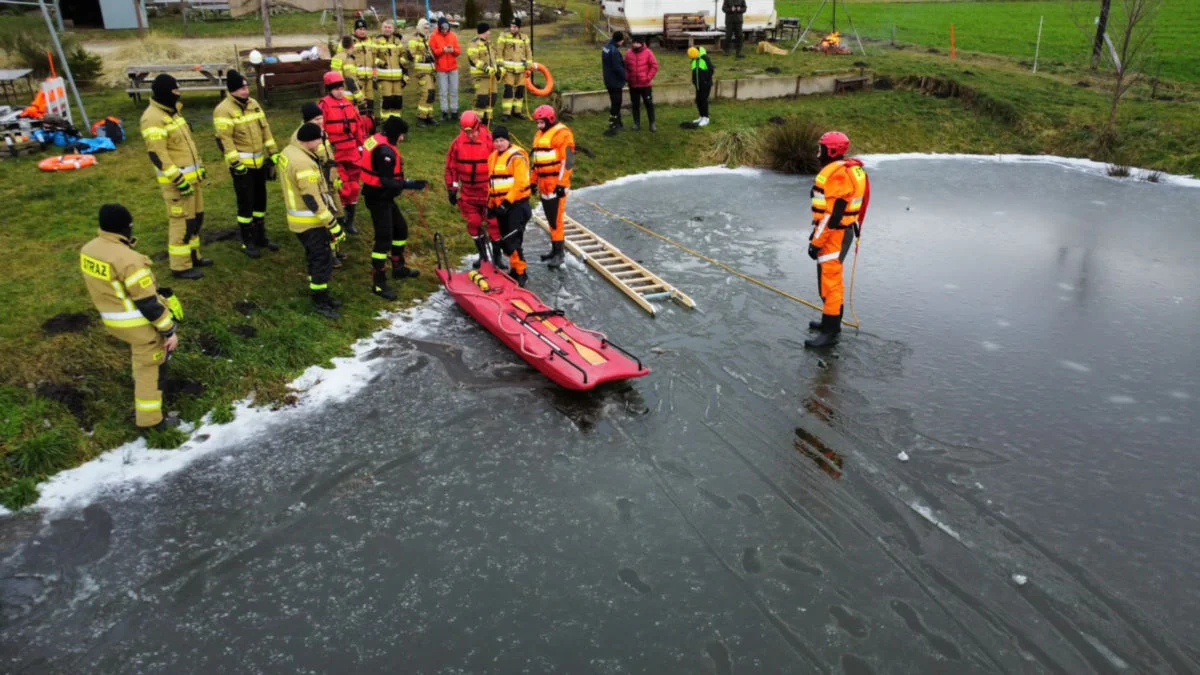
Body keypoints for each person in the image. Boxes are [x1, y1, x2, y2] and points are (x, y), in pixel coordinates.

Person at [80, 204, 182, 432]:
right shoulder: (129, 260)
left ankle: (141, 393)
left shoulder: (89, 249)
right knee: (151, 370)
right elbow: (148, 304)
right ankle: (151, 423)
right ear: (126, 227)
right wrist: (169, 330)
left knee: (141, 361)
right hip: (138, 325)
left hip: (113, 319)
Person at [140, 73, 210, 279]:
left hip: (193, 180)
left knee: (196, 218)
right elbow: (158, 155)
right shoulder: (152, 118)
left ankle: (194, 255)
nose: (178, 94)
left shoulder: (174, 113)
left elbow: (187, 146)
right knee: (182, 223)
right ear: (164, 92)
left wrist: (200, 169)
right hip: (176, 185)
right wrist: (179, 180)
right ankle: (180, 266)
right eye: (175, 91)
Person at [805, 131, 868, 349]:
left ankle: (830, 331)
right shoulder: (848, 168)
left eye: (821, 148)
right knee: (829, 279)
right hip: (838, 232)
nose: (818, 152)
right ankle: (829, 321)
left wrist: (816, 243)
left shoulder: (838, 176)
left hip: (835, 235)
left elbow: (831, 217)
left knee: (830, 283)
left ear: (831, 151)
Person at [357, 116, 430, 300]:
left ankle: (398, 267)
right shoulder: (384, 152)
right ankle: (379, 282)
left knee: (401, 230)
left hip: (385, 197)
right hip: (378, 198)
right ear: (395, 134)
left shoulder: (377, 139)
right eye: (401, 135)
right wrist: (410, 185)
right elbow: (386, 181)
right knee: (384, 240)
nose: (402, 139)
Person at [280, 122, 346, 319]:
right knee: (321, 259)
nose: (321, 143)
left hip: (298, 220)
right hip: (310, 222)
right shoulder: (304, 164)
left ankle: (318, 291)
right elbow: (313, 200)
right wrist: (332, 224)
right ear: (310, 140)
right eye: (319, 139)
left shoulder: (290, 151)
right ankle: (320, 300)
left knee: (313, 257)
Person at [213, 69, 280, 259]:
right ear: (232, 90)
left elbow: (265, 129)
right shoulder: (223, 110)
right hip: (242, 168)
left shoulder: (254, 104)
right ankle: (247, 240)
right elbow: (225, 140)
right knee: (246, 204)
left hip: (259, 164)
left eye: (246, 87)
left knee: (260, 201)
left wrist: (273, 153)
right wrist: (236, 163)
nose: (246, 91)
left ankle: (260, 236)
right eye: (241, 88)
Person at [445, 110, 503, 270]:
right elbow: (451, 167)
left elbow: (501, 164)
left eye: (472, 131)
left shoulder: (490, 141)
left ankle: (497, 257)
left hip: (488, 191)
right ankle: (483, 255)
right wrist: (452, 188)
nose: (470, 135)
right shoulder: (457, 143)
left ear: (478, 126)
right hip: (469, 193)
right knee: (474, 223)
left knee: (494, 225)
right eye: (466, 132)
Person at [296, 102, 348, 267]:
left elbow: (328, 155)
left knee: (336, 212)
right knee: (326, 216)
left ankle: (335, 248)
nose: (320, 121)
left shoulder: (321, 133)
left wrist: (335, 176)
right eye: (316, 119)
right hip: (318, 182)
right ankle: (329, 254)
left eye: (321, 118)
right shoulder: (302, 137)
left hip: (329, 180)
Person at [319, 71, 366, 235]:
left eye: (341, 88)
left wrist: (361, 146)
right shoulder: (324, 106)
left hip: (352, 152)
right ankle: (339, 217)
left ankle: (350, 219)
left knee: (354, 186)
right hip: (336, 153)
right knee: (340, 185)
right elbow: (320, 130)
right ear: (329, 89)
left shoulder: (348, 105)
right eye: (336, 88)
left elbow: (359, 127)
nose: (339, 91)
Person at [487, 126, 533, 287]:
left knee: (512, 241)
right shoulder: (492, 157)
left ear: (508, 140)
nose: (499, 144)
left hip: (517, 206)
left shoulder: (517, 157)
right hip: (501, 207)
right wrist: (491, 205)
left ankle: (521, 273)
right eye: (496, 141)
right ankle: (514, 269)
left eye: (502, 140)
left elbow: (521, 183)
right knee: (507, 241)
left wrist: (506, 203)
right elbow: (492, 184)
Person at [530, 105, 574, 269]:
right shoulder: (539, 135)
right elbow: (537, 161)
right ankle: (555, 249)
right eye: (537, 123)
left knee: (556, 218)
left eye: (541, 122)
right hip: (544, 184)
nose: (539, 126)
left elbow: (568, 161)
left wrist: (562, 184)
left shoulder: (563, 134)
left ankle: (559, 253)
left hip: (556, 184)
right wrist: (533, 182)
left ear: (550, 119)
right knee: (550, 217)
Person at [374, 19, 411, 122]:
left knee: (397, 100)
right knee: (387, 100)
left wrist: (403, 61)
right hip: (384, 77)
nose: (387, 29)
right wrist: (380, 62)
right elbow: (372, 57)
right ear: (382, 29)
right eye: (385, 27)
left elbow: (402, 54)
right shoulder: (376, 41)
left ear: (393, 29)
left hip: (397, 77)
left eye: (389, 27)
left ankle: (396, 121)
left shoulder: (397, 41)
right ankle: (386, 121)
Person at [497, 18, 532, 120]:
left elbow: (528, 52)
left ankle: (517, 111)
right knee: (508, 91)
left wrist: (529, 65)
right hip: (508, 71)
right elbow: (499, 51)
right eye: (511, 26)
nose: (512, 28)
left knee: (520, 92)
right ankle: (506, 113)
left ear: (519, 28)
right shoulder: (503, 37)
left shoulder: (524, 37)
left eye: (515, 27)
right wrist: (500, 65)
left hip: (520, 71)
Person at [623, 35, 658, 132]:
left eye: (637, 43)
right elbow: (625, 67)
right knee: (635, 104)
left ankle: (652, 123)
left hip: (645, 85)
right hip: (633, 85)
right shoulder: (628, 53)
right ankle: (636, 123)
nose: (635, 44)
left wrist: (648, 77)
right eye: (634, 42)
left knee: (649, 104)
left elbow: (654, 66)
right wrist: (627, 77)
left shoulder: (648, 53)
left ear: (642, 43)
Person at [429, 16, 461, 122]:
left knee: (454, 90)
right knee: (443, 91)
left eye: (446, 29)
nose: (445, 31)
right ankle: (444, 112)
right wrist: (443, 50)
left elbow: (458, 51)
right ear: (439, 28)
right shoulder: (433, 36)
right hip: (441, 68)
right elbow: (434, 52)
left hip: (453, 67)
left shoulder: (453, 36)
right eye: (443, 29)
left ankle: (454, 111)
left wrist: (452, 50)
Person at [467, 22, 499, 126]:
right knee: (481, 99)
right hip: (480, 77)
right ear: (484, 32)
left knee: (492, 98)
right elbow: (474, 60)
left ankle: (487, 119)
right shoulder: (474, 44)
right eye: (488, 31)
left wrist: (498, 68)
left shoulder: (489, 43)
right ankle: (476, 121)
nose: (490, 33)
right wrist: (486, 68)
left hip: (491, 77)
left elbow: (495, 58)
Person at [408, 18, 438, 126]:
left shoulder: (427, 38)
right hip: (421, 71)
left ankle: (429, 115)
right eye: (424, 27)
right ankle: (421, 117)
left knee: (431, 94)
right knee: (426, 93)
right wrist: (424, 58)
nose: (426, 29)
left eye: (427, 27)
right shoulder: (414, 39)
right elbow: (411, 56)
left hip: (430, 71)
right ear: (419, 27)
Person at [601, 31, 627, 133]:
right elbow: (617, 67)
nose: (622, 43)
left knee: (614, 101)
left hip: (608, 79)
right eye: (622, 41)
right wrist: (626, 77)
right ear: (619, 41)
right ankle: (613, 124)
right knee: (616, 103)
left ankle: (618, 122)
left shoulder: (606, 47)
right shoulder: (614, 51)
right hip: (615, 81)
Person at [330, 36, 365, 109]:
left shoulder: (336, 57)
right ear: (352, 46)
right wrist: (360, 98)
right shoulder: (348, 59)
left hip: (338, 92)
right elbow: (350, 80)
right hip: (348, 94)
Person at [351, 18, 376, 120]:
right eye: (360, 29)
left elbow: (375, 61)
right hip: (357, 79)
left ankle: (370, 123)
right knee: (360, 102)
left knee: (370, 101)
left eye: (364, 29)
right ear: (355, 30)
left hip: (369, 78)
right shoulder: (350, 42)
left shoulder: (371, 42)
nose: (362, 31)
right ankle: (360, 123)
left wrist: (375, 76)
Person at [688, 46, 715, 127]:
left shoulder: (705, 58)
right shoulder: (693, 60)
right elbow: (694, 71)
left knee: (703, 100)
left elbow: (711, 69)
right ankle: (701, 116)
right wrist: (693, 80)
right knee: (698, 100)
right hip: (698, 85)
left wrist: (706, 80)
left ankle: (706, 118)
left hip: (705, 84)